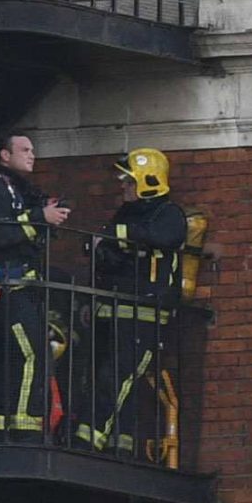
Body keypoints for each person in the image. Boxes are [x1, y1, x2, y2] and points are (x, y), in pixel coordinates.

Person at [80, 148, 186, 456]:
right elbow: (102, 253)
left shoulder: (168, 214)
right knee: (101, 376)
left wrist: (116, 237)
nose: (123, 186)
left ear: (147, 181)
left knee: (117, 378)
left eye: (128, 181)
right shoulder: (126, 215)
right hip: (109, 311)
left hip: (145, 313)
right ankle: (119, 445)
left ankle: (88, 440)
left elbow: (159, 237)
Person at [0, 133, 68, 437]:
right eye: (24, 149)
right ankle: (24, 427)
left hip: (15, 287)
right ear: (4, 155)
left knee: (3, 355)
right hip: (3, 287)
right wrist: (41, 217)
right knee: (33, 352)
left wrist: (43, 215)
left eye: (33, 150)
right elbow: (0, 234)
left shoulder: (17, 190)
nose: (31, 154)